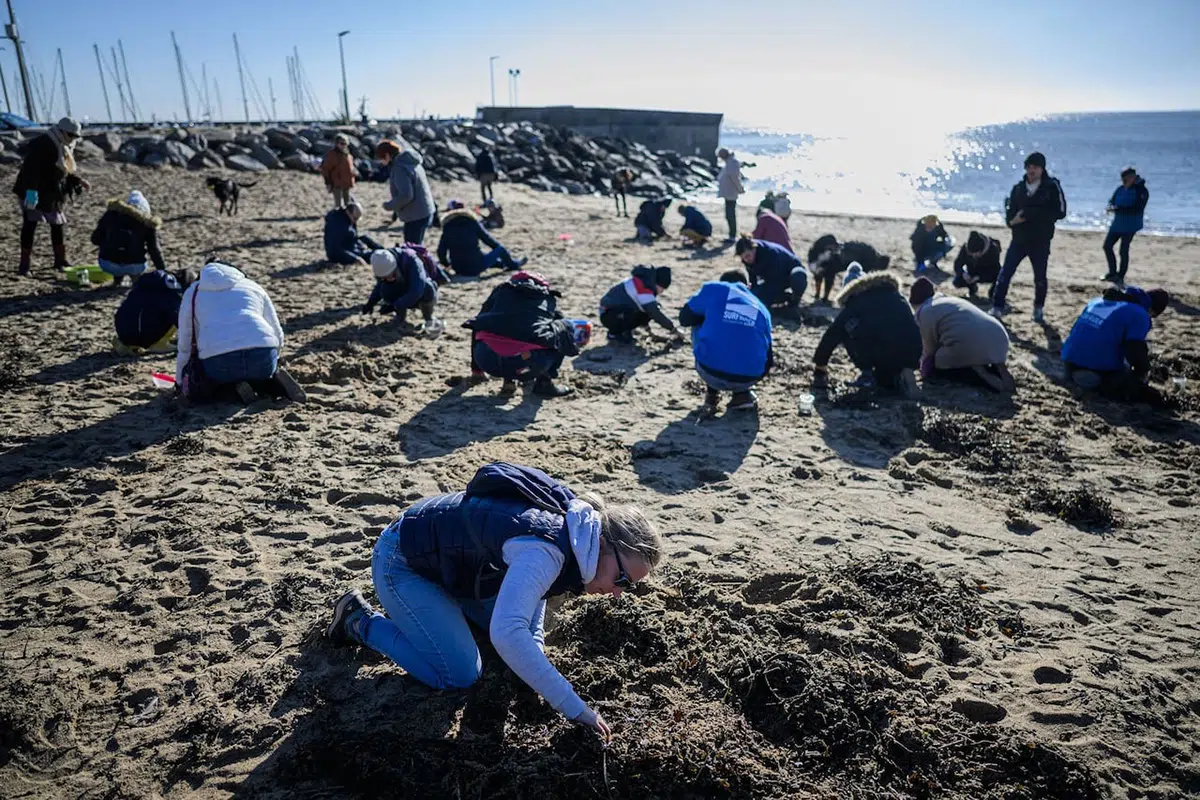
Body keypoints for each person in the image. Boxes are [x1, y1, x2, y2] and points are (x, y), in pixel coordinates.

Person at [326, 461, 663, 738]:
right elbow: (509, 631)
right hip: (401, 561)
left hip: (452, 566)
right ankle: (359, 621)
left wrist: (534, 656)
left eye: (628, 587)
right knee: (459, 673)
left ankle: (441, 614)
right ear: (606, 545)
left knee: (507, 635)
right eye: (622, 579)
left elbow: (535, 599)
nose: (617, 593)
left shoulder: (577, 535)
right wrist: (574, 707)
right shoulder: (548, 550)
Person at [175, 261, 306, 404]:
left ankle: (232, 391)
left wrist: (180, 380)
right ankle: (270, 384)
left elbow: (185, 341)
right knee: (258, 371)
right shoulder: (253, 286)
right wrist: (274, 360)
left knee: (208, 385)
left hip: (220, 360)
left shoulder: (193, 293)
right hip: (262, 352)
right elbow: (276, 331)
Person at [464, 271, 580, 397]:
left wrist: (476, 369)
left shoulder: (500, 292)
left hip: (486, 359)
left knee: (486, 324)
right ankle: (544, 383)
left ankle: (506, 380)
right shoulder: (545, 297)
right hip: (523, 363)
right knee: (562, 328)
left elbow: (477, 324)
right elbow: (556, 337)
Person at [813, 265, 921, 393]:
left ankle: (867, 374)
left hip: (880, 356)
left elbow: (832, 334)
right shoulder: (897, 297)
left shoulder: (857, 302)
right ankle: (901, 373)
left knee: (848, 327)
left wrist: (820, 365)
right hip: (911, 355)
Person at [679, 269, 773, 413]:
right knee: (746, 335)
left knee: (700, 321)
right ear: (748, 286)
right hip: (749, 377)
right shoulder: (760, 306)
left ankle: (712, 394)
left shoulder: (715, 289)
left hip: (709, 372)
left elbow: (684, 318)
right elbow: (768, 353)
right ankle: (741, 394)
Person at [990, 152, 1067, 323]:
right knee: (1005, 274)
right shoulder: (1018, 188)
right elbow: (1010, 215)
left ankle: (1038, 309)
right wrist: (1013, 221)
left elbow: (1061, 212)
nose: (1031, 170)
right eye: (1029, 167)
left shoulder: (1051, 186)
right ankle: (997, 307)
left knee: (1040, 278)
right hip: (1019, 239)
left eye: (1035, 167)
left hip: (1041, 240)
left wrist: (1031, 214)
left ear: (1042, 168)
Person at [1060, 285, 1170, 401]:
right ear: (1151, 310)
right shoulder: (1139, 314)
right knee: (1147, 393)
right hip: (1096, 373)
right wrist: (1143, 373)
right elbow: (1134, 350)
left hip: (1069, 365)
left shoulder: (1098, 301)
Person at [12, 116, 90, 276]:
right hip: (33, 189)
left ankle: (60, 260)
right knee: (30, 223)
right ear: (62, 131)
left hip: (52, 192)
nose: (73, 139)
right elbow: (31, 170)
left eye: (76, 136)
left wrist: (78, 180)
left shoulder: (66, 145)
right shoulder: (44, 144)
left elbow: (63, 171)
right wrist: (31, 191)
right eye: (71, 135)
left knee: (58, 224)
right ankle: (24, 264)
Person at [908, 276, 1014, 393]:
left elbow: (929, 350)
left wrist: (924, 370)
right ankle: (996, 365)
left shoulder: (925, 311)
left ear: (915, 303)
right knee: (971, 346)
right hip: (999, 337)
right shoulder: (950, 300)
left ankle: (979, 373)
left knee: (939, 361)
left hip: (972, 345)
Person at [91, 190, 167, 285]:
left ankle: (117, 279)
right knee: (133, 256)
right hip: (135, 266)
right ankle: (135, 279)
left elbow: (95, 239)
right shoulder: (147, 223)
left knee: (116, 250)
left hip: (108, 264)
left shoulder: (111, 215)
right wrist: (163, 271)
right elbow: (154, 250)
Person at [113, 269, 194, 355]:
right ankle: (158, 344)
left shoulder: (143, 284)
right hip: (144, 336)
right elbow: (178, 319)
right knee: (179, 312)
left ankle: (128, 344)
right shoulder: (171, 292)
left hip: (123, 333)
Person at [436, 200, 527, 277]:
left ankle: (503, 264)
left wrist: (448, 265)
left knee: (481, 255)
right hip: (476, 268)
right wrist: (502, 252)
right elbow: (489, 241)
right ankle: (514, 265)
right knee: (500, 250)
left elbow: (441, 251)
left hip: (458, 268)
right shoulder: (472, 222)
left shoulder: (447, 226)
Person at [598, 265, 684, 344]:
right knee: (649, 309)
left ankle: (625, 331)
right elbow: (654, 313)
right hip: (608, 315)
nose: (661, 292)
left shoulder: (642, 282)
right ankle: (614, 334)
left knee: (649, 308)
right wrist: (673, 329)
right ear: (657, 284)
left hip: (614, 310)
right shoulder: (643, 288)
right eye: (662, 288)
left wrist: (648, 329)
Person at [364, 248, 441, 334]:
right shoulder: (381, 262)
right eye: (384, 278)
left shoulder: (411, 261)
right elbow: (379, 286)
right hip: (402, 291)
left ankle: (428, 317)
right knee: (385, 290)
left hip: (420, 293)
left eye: (391, 275)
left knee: (428, 288)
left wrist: (395, 305)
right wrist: (371, 302)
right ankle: (400, 317)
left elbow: (416, 291)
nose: (389, 279)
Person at [377, 140, 436, 245]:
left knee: (412, 248)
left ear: (387, 155)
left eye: (381, 158)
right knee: (416, 246)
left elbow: (406, 195)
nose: (381, 162)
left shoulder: (400, 168)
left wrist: (389, 205)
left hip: (416, 215)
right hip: (425, 210)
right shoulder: (410, 161)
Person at [735, 235, 808, 314]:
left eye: (747, 256)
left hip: (788, 272)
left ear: (754, 249)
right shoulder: (748, 259)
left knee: (798, 276)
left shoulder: (770, 253)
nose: (746, 260)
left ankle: (795, 301)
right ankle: (786, 297)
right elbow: (753, 281)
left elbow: (776, 281)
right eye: (743, 258)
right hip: (772, 278)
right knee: (756, 295)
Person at [1102, 167, 1149, 287]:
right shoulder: (1120, 189)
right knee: (1107, 246)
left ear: (1133, 177)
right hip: (1117, 224)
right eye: (1123, 178)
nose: (1124, 181)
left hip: (1131, 225)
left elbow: (1137, 208)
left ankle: (1120, 276)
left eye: (1126, 178)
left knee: (1123, 250)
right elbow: (1112, 201)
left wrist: (1118, 209)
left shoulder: (1141, 191)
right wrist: (1110, 207)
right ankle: (1112, 272)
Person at [323, 201, 383, 266]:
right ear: (348, 212)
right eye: (355, 218)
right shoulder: (338, 225)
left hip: (353, 247)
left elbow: (353, 236)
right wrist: (355, 259)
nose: (355, 221)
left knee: (366, 239)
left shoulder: (347, 218)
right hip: (344, 254)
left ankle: (384, 250)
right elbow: (334, 249)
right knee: (375, 256)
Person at [951, 231, 1002, 299]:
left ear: (982, 250)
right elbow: (957, 264)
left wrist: (979, 277)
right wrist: (963, 273)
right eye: (970, 254)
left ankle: (993, 293)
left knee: (1000, 277)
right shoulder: (966, 248)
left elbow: (995, 270)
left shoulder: (993, 249)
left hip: (987, 273)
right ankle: (972, 289)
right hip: (972, 271)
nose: (973, 256)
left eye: (975, 254)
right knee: (957, 282)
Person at [319, 134, 357, 209]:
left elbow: (350, 167)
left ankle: (346, 215)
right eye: (342, 143)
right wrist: (327, 182)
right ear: (337, 144)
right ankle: (338, 216)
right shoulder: (332, 155)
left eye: (346, 143)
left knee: (348, 203)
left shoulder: (348, 154)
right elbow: (326, 169)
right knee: (338, 204)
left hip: (347, 182)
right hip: (337, 183)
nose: (344, 145)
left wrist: (354, 174)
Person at [716, 148, 745, 243]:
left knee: (730, 214)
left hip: (731, 193)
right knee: (729, 214)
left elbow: (735, 178)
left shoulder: (732, 162)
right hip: (728, 192)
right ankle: (731, 235)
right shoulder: (730, 162)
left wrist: (740, 189)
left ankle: (732, 235)